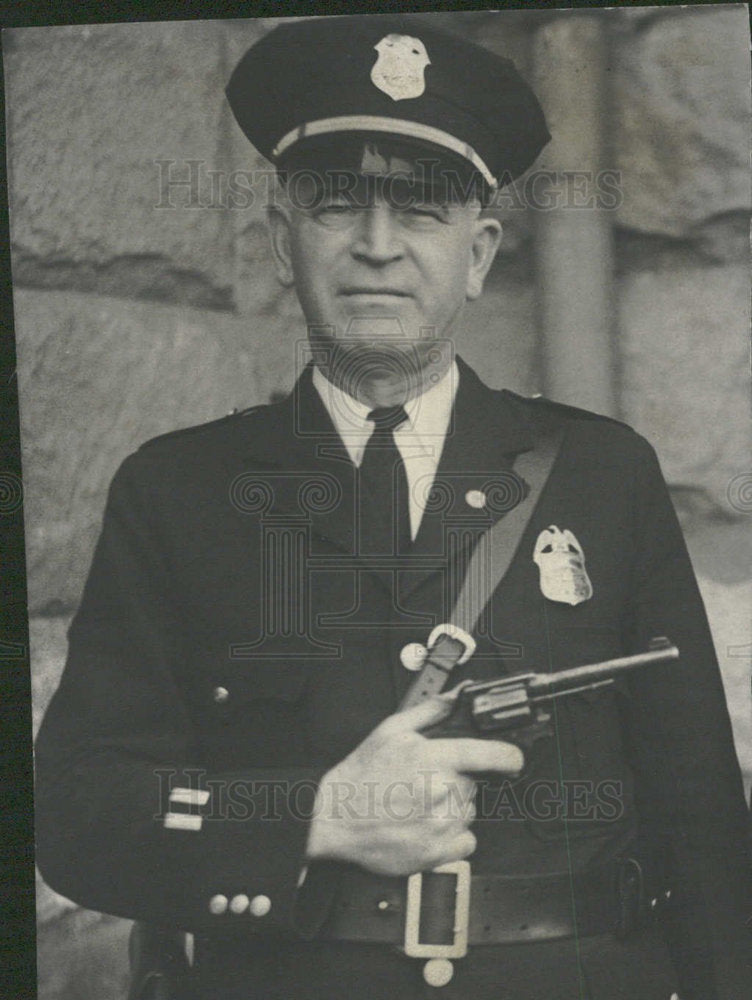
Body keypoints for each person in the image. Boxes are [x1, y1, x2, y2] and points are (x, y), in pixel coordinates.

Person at [34, 14, 750, 1000]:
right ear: (285, 242)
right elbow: (74, 812)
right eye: (337, 208)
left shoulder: (601, 473)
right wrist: (315, 812)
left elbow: (699, 811)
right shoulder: (176, 490)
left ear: (479, 253)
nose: (377, 246)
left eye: (418, 213)